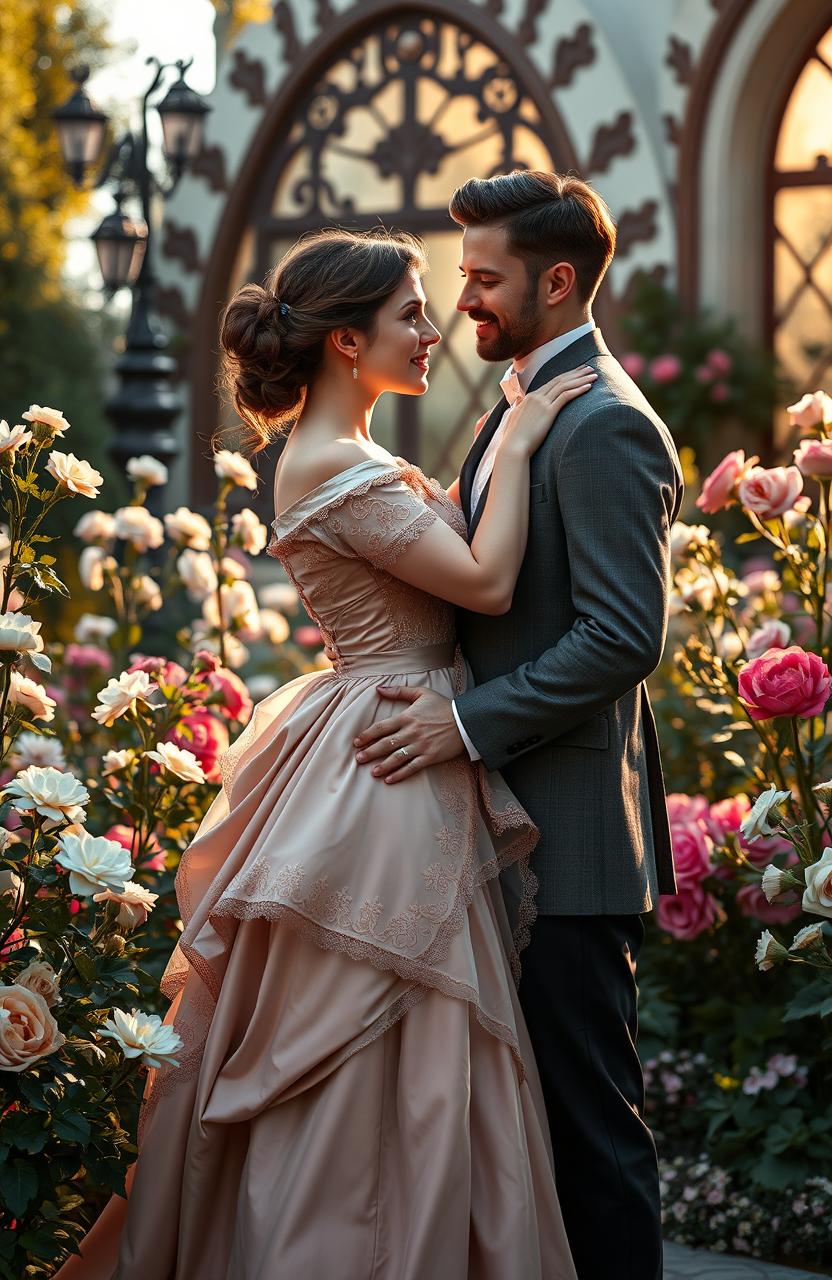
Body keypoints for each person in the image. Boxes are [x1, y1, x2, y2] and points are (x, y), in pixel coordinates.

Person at [54, 226, 595, 1279]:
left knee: (408, 1020)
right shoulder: (336, 464)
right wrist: (520, 441)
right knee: (397, 1016)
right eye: (410, 314)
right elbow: (483, 583)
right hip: (389, 750)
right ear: (349, 343)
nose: (432, 330)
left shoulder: (334, 454)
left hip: (383, 728)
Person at [349, 172, 684, 1280]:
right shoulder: (529, 401)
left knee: (589, 1133)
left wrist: (463, 722)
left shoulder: (602, 426)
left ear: (556, 280)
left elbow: (622, 636)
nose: (465, 301)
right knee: (529, 1131)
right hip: (510, 821)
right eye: (461, 278)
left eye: (485, 279)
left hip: (572, 836)